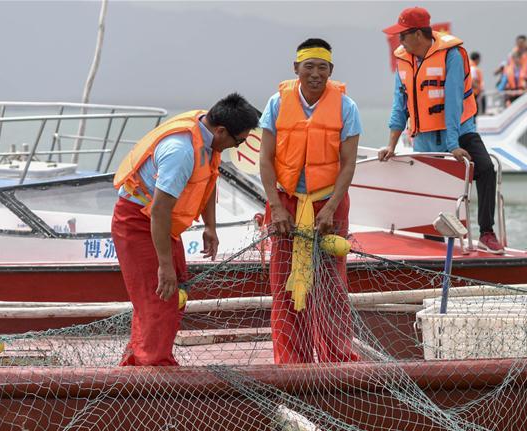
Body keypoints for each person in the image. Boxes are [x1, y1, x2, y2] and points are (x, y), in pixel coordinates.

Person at [111, 94, 257, 367]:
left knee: (176, 291)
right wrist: (164, 266)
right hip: (138, 221)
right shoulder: (182, 151)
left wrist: (210, 226)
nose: (236, 147)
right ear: (221, 131)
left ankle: (139, 360)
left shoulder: (209, 135)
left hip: (161, 224)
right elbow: (159, 211)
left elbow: (208, 179)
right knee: (160, 296)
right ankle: (154, 370)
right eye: (238, 141)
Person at [257, 38, 362, 364]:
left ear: (331, 71)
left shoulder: (347, 107)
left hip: (329, 202)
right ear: (296, 69)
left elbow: (348, 164)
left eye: (323, 68)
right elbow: (265, 158)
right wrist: (275, 206)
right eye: (309, 67)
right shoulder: (276, 103)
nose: (316, 74)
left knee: (330, 283)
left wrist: (330, 208)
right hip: (286, 203)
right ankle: (291, 360)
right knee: (284, 283)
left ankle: (338, 357)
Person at [379, 6, 503, 254]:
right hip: (424, 137)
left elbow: (454, 101)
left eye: (402, 35)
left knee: (486, 169)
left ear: (417, 34)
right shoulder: (404, 58)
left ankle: (486, 233)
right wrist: (391, 145)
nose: (399, 40)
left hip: (460, 129)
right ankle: (432, 244)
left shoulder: (453, 55)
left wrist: (453, 144)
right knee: (431, 189)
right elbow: (399, 105)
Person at [469, 51, 486, 115]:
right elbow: (472, 81)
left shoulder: (469, 66)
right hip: (474, 94)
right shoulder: (473, 68)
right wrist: (480, 88)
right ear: (477, 59)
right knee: (474, 113)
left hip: (471, 94)